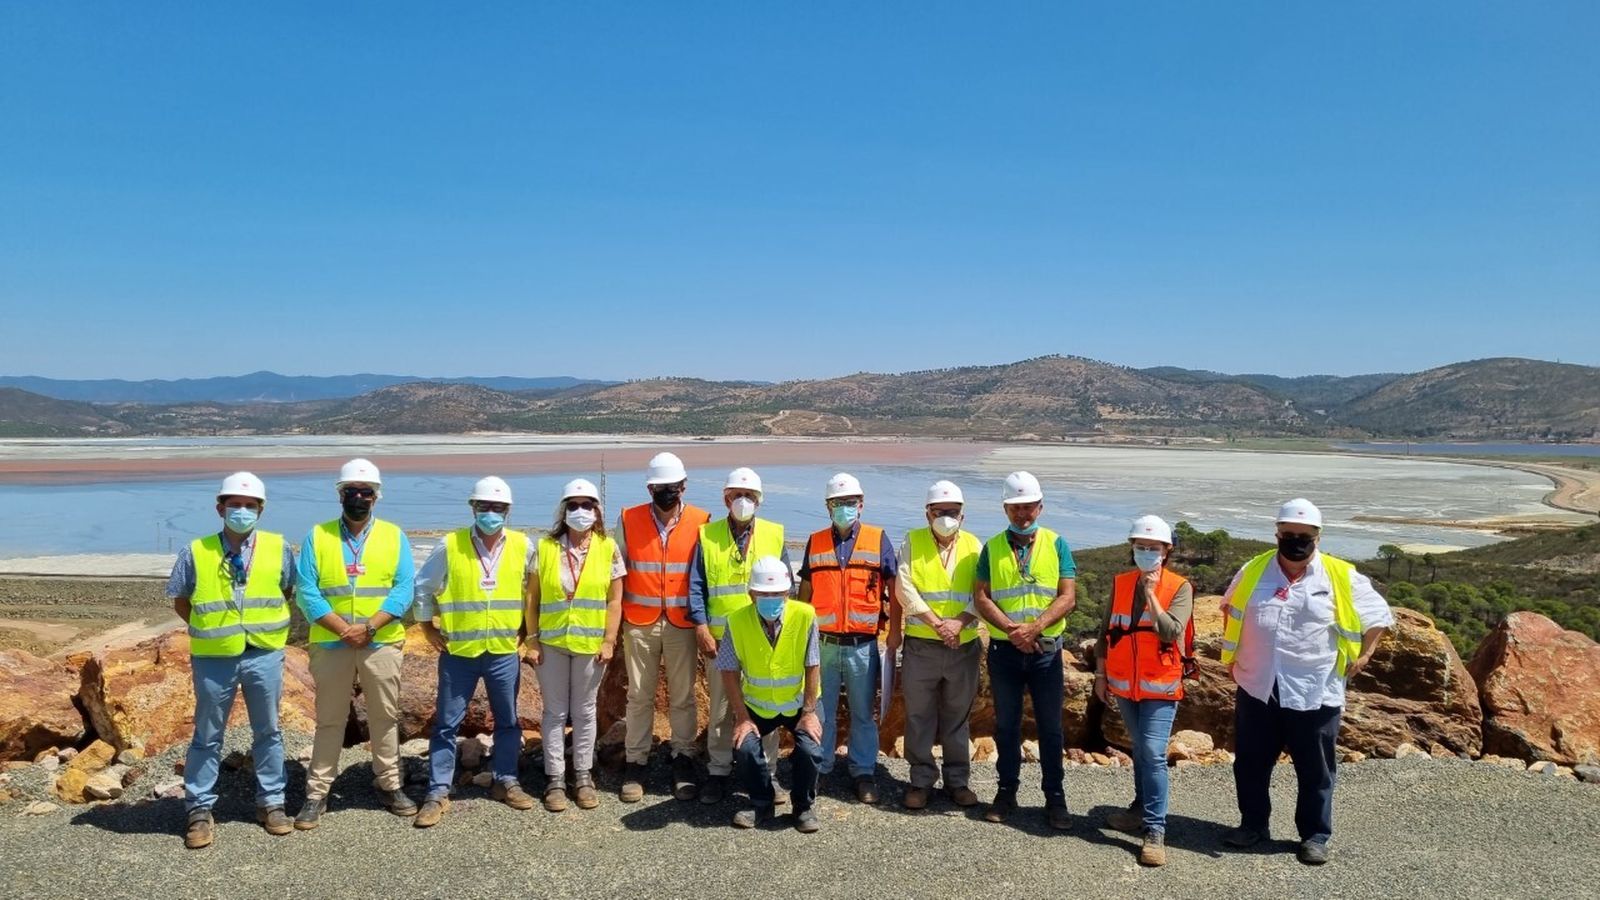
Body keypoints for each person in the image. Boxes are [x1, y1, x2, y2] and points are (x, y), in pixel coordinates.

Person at [1221, 498, 1394, 865]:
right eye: (1288, 534)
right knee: (1250, 763)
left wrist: (1364, 655)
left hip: (1315, 688)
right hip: (1258, 685)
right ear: (1277, 534)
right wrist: (1233, 656)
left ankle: (1314, 835)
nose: (1295, 540)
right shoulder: (1253, 569)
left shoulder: (1341, 575)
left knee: (1315, 769)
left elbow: (1379, 615)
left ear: (1317, 536)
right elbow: (1230, 608)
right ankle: (1253, 825)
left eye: (1304, 535)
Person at [166, 472, 296, 849]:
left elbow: (285, 590)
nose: (242, 511)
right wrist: (212, 630)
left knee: (268, 732)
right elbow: (181, 600)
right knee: (207, 736)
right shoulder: (196, 551)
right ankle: (198, 810)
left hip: (264, 654)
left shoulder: (278, 548)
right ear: (220, 507)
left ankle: (271, 803)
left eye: (250, 505)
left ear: (261, 509)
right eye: (235, 505)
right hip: (214, 658)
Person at [294, 458, 418, 828]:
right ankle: (317, 793)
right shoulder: (318, 536)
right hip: (332, 645)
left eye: (366, 492)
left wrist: (370, 627)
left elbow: (403, 588)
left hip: (379, 642)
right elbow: (307, 591)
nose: (359, 498)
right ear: (340, 495)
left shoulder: (394, 536)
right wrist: (342, 629)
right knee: (329, 719)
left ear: (376, 497)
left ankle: (390, 784)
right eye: (352, 492)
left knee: (384, 716)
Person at [411, 476, 536, 827]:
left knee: (509, 721)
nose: (491, 513)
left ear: (508, 511)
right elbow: (423, 585)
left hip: (502, 651)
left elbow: (533, 592)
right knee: (446, 724)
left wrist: (528, 631)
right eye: (485, 507)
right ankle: (437, 792)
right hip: (460, 653)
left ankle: (506, 780)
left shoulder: (524, 546)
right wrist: (425, 625)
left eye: (498, 508)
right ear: (473, 508)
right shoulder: (450, 546)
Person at [972, 470, 1077, 830]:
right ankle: (1006, 792)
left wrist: (1033, 628)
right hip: (1005, 651)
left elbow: (1068, 596)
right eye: (1016, 507)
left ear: (1040, 507)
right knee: (1006, 726)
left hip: (1046, 650)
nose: (1023, 514)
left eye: (1029, 506)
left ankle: (1055, 798)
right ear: (1005, 509)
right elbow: (981, 596)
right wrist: (1012, 631)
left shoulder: (1056, 544)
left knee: (1050, 727)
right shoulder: (993, 547)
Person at [1093, 515, 1194, 866]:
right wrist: (1100, 676)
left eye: (1154, 548)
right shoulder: (1120, 582)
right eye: (1140, 547)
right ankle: (1139, 808)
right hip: (1124, 685)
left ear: (1167, 550)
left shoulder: (1180, 587)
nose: (1146, 553)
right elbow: (1107, 631)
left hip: (1160, 685)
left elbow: (1169, 632)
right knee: (1139, 749)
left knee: (1152, 753)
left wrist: (1151, 595)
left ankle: (1154, 830)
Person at [686, 466, 789, 806]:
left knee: (766, 709)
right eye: (736, 496)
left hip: (763, 640)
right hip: (721, 640)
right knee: (720, 711)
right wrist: (700, 625)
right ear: (726, 498)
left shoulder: (774, 535)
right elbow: (696, 586)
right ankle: (718, 773)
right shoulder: (708, 536)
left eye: (749, 496)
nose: (743, 501)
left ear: (759, 501)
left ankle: (767, 774)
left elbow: (786, 590)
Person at [797, 472, 899, 804]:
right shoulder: (815, 542)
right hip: (823, 644)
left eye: (850, 503)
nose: (844, 509)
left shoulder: (877, 539)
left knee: (863, 712)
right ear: (828, 507)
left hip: (863, 645)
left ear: (861, 504)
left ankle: (863, 771)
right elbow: (805, 592)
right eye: (838, 503)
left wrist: (895, 633)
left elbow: (893, 590)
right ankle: (821, 768)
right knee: (820, 709)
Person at [616, 452, 710, 803]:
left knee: (683, 697)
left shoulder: (702, 521)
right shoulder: (628, 518)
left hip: (681, 623)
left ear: (683, 486)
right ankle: (635, 762)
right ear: (649, 488)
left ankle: (683, 758)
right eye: (660, 487)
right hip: (638, 622)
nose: (666, 492)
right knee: (639, 696)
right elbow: (617, 571)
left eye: (672, 487)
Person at [526, 478, 624, 812]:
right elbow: (532, 598)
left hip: (590, 644)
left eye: (586, 505)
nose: (579, 511)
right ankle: (554, 778)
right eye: (573, 505)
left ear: (597, 511)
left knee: (584, 711)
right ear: (563, 510)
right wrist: (531, 639)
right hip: (551, 643)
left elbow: (614, 601)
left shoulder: (608, 548)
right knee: (554, 712)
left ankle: (583, 775)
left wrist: (610, 640)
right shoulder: (546, 548)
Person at [889, 480, 982, 811]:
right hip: (922, 645)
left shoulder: (974, 546)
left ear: (963, 515)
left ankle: (958, 782)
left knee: (958, 716)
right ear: (927, 513)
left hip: (963, 644)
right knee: (919, 715)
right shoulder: (912, 541)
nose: (946, 517)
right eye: (940, 511)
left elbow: (982, 593)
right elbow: (904, 585)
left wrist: (959, 622)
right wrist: (937, 623)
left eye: (952, 512)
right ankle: (920, 780)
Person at [721, 557, 824, 833]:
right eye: (764, 594)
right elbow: (729, 671)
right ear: (751, 593)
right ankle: (761, 802)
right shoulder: (736, 621)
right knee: (745, 747)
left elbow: (812, 663)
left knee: (810, 749)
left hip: (799, 703)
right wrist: (742, 717)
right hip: (757, 704)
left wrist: (810, 712)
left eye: (777, 593)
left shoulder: (805, 615)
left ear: (788, 592)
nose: (771, 599)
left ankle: (802, 807)